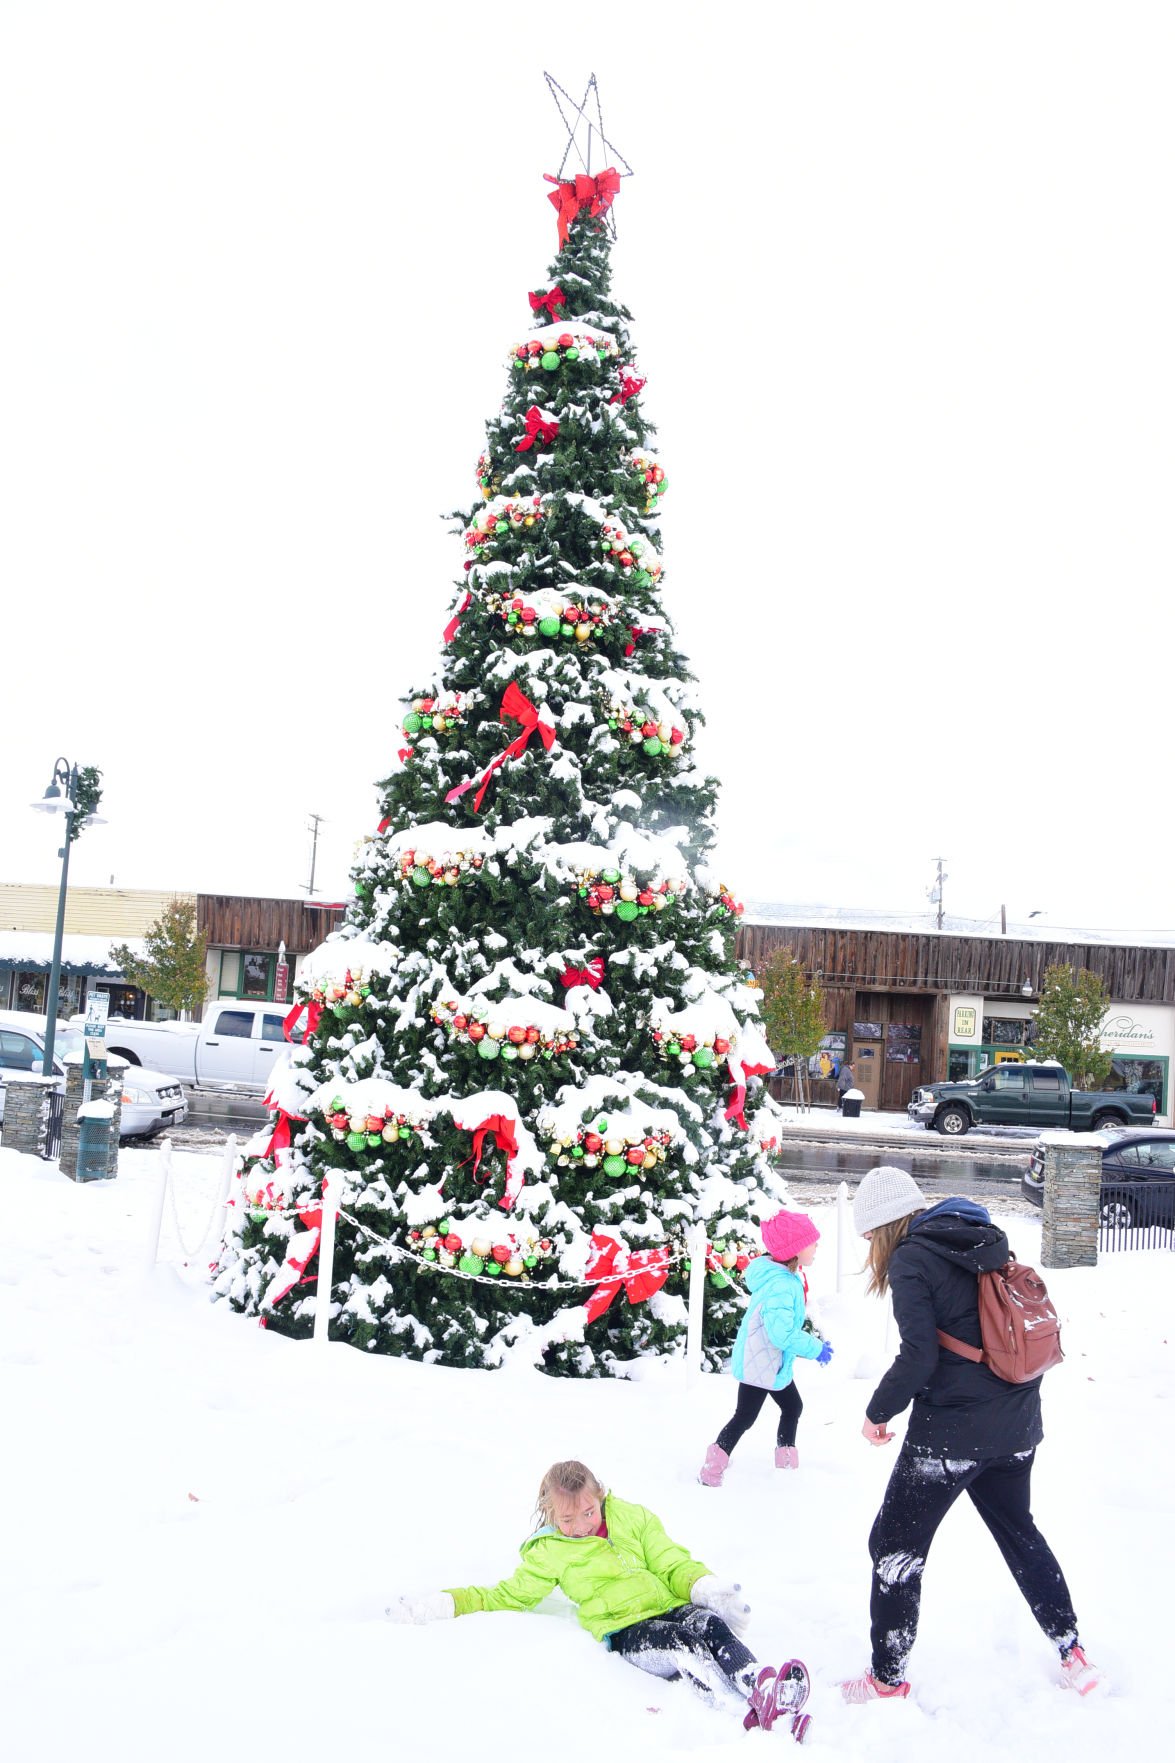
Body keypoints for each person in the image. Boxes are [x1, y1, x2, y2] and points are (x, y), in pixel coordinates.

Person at [840, 1165, 1103, 1704]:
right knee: (1019, 1533)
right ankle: (1072, 1651)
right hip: (1016, 1423)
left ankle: (886, 1680)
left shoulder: (912, 1258)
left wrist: (878, 1410)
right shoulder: (981, 1238)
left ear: (885, 1226)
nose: (868, 1246)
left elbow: (919, 1354)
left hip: (950, 1437)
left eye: (869, 1235)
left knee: (894, 1549)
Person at [386, 1458, 813, 1738]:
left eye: (588, 1512)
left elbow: (669, 1560)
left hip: (667, 1602)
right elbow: (508, 1596)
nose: (582, 1525)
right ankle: (739, 1712)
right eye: (568, 1518)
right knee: (685, 1644)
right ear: (550, 1515)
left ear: (601, 1496)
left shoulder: (631, 1517)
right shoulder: (549, 1551)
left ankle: (761, 1684)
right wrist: (446, 1603)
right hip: (628, 1631)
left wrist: (703, 1587)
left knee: (708, 1624)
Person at [698, 1210, 833, 1486]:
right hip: (761, 1364)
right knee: (745, 1417)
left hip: (769, 1363)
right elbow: (782, 1334)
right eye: (811, 1241)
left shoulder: (782, 1276)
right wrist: (815, 1348)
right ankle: (712, 1470)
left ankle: (785, 1468)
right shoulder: (782, 1285)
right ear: (794, 1250)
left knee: (792, 1406)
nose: (817, 1246)